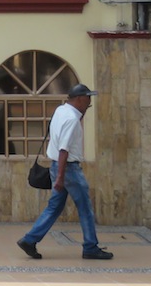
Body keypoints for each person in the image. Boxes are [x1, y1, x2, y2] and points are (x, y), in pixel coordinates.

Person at [17, 83, 113, 261]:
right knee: (85, 208)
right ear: (79, 99)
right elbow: (63, 150)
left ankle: (29, 240)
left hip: (57, 166)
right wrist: (61, 177)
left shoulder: (61, 110)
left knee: (54, 206)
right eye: (87, 98)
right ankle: (90, 247)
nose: (89, 102)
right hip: (69, 169)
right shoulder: (71, 119)